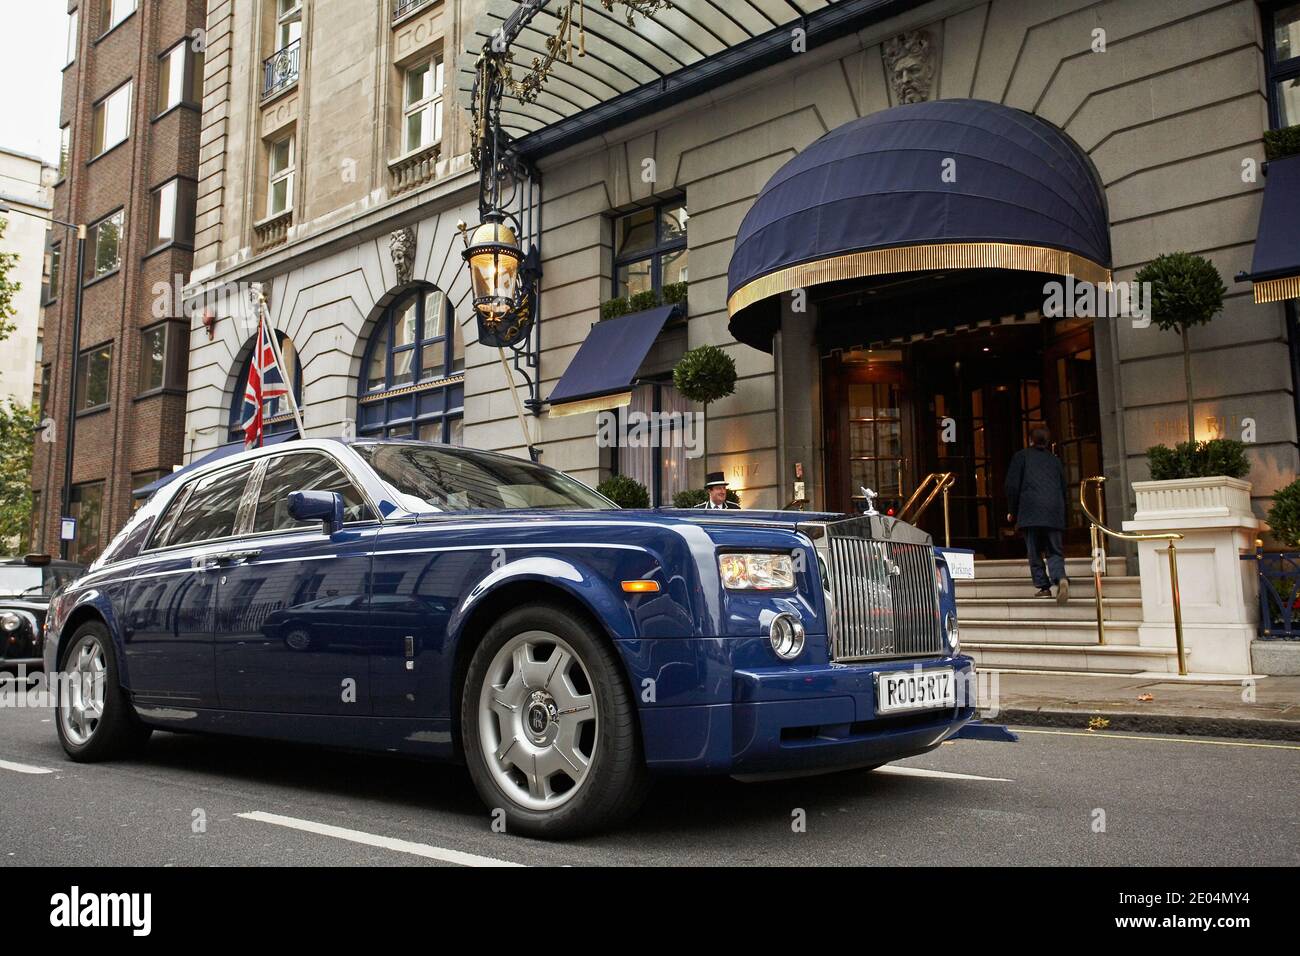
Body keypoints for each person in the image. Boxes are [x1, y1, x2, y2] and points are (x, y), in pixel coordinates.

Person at [1004, 426, 1069, 604]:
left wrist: (1012, 510)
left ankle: (1044, 587)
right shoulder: (1055, 461)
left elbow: (1012, 486)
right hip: (1054, 512)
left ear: (1030, 440)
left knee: (1034, 552)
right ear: (1047, 442)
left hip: (1030, 511)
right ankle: (1060, 578)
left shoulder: (1021, 457)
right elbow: (1064, 488)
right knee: (1055, 550)